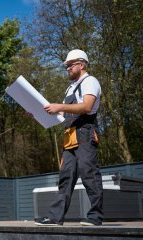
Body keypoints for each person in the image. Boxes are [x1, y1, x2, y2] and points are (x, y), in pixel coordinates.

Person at [35, 49, 103, 226]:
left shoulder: (90, 81)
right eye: (66, 66)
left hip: (85, 132)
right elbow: (62, 113)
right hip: (70, 134)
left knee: (89, 173)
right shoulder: (70, 87)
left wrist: (59, 106)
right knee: (66, 176)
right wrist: (36, 113)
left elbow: (87, 106)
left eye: (70, 65)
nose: (67, 69)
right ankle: (55, 217)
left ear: (81, 64)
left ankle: (95, 217)